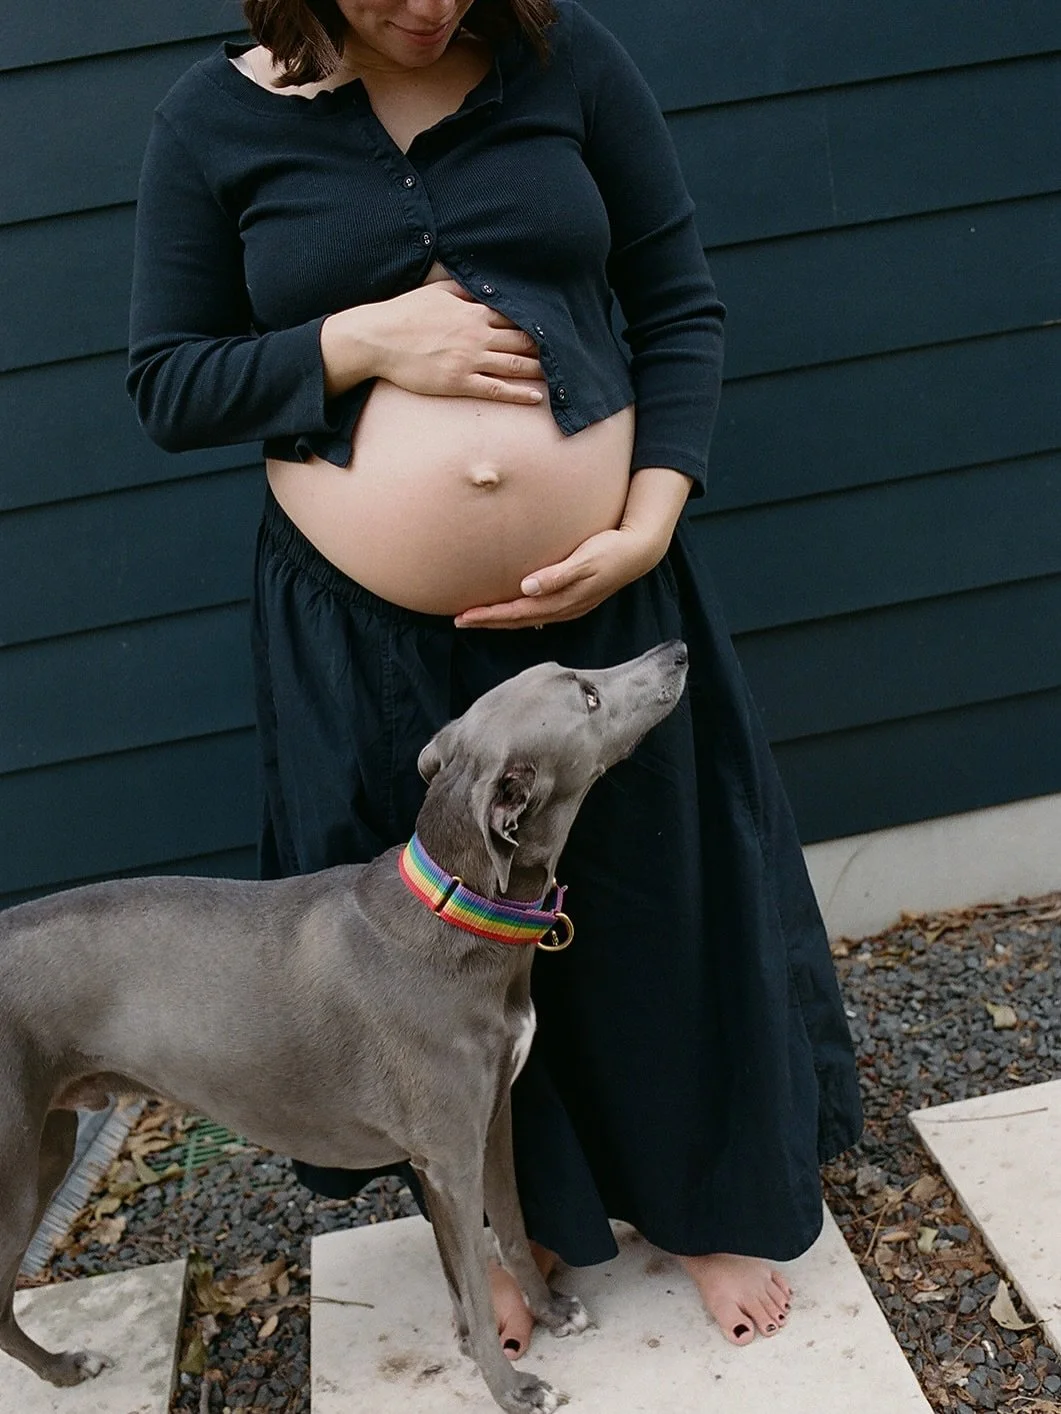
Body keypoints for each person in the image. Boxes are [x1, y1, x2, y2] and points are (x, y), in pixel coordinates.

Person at [127, 0, 863, 1363]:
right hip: (360, 634)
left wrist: (648, 514)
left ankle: (697, 1203)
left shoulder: (566, 59)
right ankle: (497, 1236)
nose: (431, 10)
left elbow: (675, 295)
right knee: (417, 976)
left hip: (605, 592)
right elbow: (168, 379)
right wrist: (359, 345)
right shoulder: (213, 120)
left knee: (656, 907)